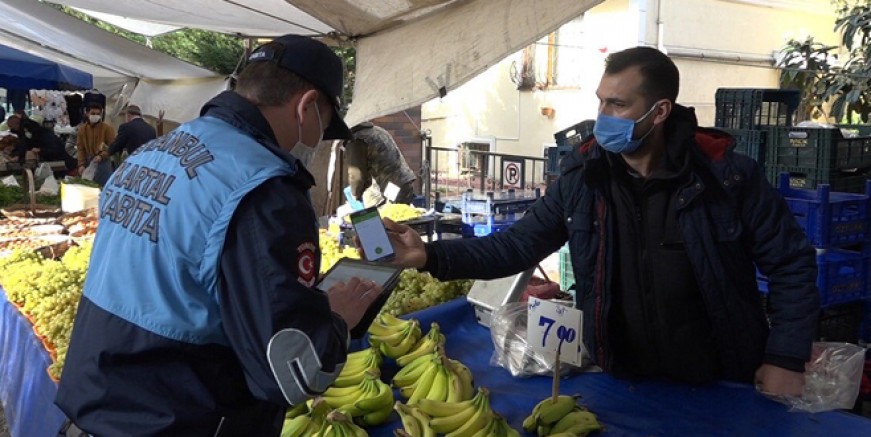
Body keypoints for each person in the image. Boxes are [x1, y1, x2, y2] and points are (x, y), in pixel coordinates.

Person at [384, 47, 820, 396]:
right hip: (622, 379)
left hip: (722, 379)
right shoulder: (584, 178)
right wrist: (429, 255)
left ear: (661, 111)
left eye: (617, 104)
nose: (603, 115)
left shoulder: (727, 176)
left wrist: (784, 357)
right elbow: (515, 246)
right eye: (600, 101)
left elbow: (791, 263)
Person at [55, 35, 381, 436]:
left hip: (97, 405)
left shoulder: (153, 153)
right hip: (178, 418)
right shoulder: (265, 189)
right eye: (325, 126)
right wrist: (336, 320)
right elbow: (291, 374)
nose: (318, 141)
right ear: (307, 106)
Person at [346, 122, 417, 207]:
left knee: (389, 217)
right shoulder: (377, 130)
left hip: (391, 187)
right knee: (400, 215)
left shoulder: (356, 140)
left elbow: (356, 175)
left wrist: (355, 194)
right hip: (404, 181)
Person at [6, 114, 77, 172]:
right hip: (50, 150)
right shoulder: (28, 127)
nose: (12, 129)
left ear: (16, 124)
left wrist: (40, 150)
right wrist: (18, 155)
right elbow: (25, 143)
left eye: (12, 127)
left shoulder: (29, 128)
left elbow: (26, 143)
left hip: (55, 153)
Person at [75, 102, 116, 185]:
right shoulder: (82, 130)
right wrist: (81, 164)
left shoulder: (107, 129)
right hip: (89, 162)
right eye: (93, 113)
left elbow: (112, 147)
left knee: (103, 188)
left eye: (98, 114)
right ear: (87, 113)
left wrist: (101, 156)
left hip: (103, 163)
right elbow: (80, 149)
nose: (96, 116)